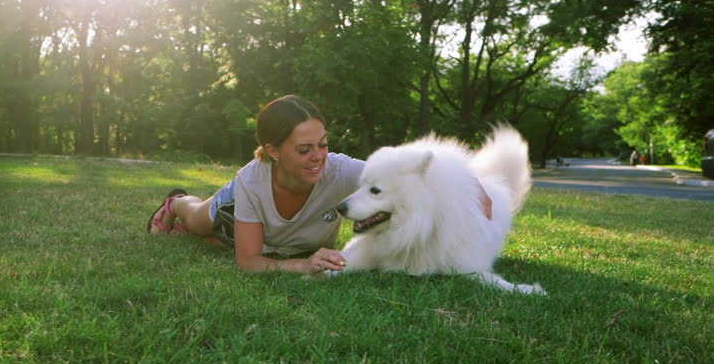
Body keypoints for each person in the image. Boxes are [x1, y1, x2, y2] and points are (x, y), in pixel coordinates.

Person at [148, 94, 492, 275]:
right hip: (230, 213)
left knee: (241, 245)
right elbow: (249, 262)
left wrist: (468, 183)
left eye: (323, 144)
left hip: (276, 242)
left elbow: (402, 169)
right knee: (197, 220)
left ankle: (212, 237)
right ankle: (176, 202)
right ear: (273, 151)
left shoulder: (342, 170)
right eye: (304, 149)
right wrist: (303, 264)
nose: (318, 157)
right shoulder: (251, 181)